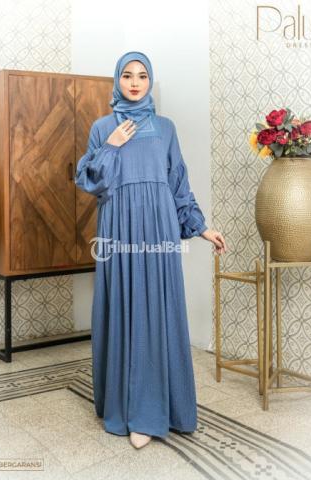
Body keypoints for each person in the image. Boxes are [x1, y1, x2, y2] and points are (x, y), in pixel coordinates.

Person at [75, 51, 227, 450]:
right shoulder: (102, 127)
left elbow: (178, 183)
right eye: (127, 75)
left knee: (157, 310)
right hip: (119, 230)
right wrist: (111, 146)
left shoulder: (165, 128)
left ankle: (162, 409)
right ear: (117, 80)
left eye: (142, 76)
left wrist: (202, 227)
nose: (135, 82)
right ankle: (131, 409)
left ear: (149, 81)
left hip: (159, 229)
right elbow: (91, 181)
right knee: (125, 308)